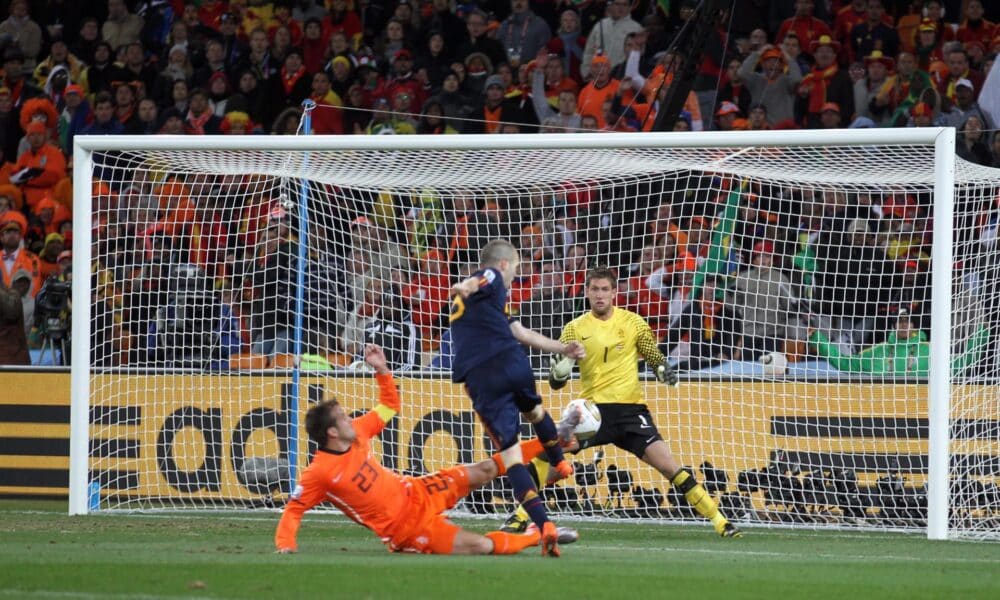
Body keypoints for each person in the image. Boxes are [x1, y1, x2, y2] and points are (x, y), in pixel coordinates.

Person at [503, 266, 743, 539]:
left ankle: (720, 521)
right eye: (595, 289)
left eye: (605, 289)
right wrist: (558, 374)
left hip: (631, 412)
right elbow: (557, 380)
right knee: (549, 455)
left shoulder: (633, 323)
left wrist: (663, 369)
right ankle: (520, 517)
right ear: (587, 292)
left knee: (668, 465)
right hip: (592, 414)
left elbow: (654, 356)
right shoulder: (574, 329)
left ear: (615, 293)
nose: (600, 295)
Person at [275, 344, 575, 555]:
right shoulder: (319, 473)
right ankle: (534, 536)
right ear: (331, 432)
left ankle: (555, 439)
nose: (350, 418)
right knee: (480, 546)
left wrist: (381, 370)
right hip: (405, 529)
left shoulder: (358, 433)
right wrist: (286, 546)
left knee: (484, 469)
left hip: (417, 491)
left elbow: (390, 405)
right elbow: (294, 508)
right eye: (342, 418)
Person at [449, 239, 586, 557]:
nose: (514, 278)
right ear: (505, 264)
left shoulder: (485, 302)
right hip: (513, 362)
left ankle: (544, 525)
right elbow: (485, 280)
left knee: (511, 458)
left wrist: (563, 349)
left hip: (481, 376)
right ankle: (560, 463)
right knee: (536, 413)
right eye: (517, 269)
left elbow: (519, 328)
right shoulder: (493, 276)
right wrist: (467, 283)